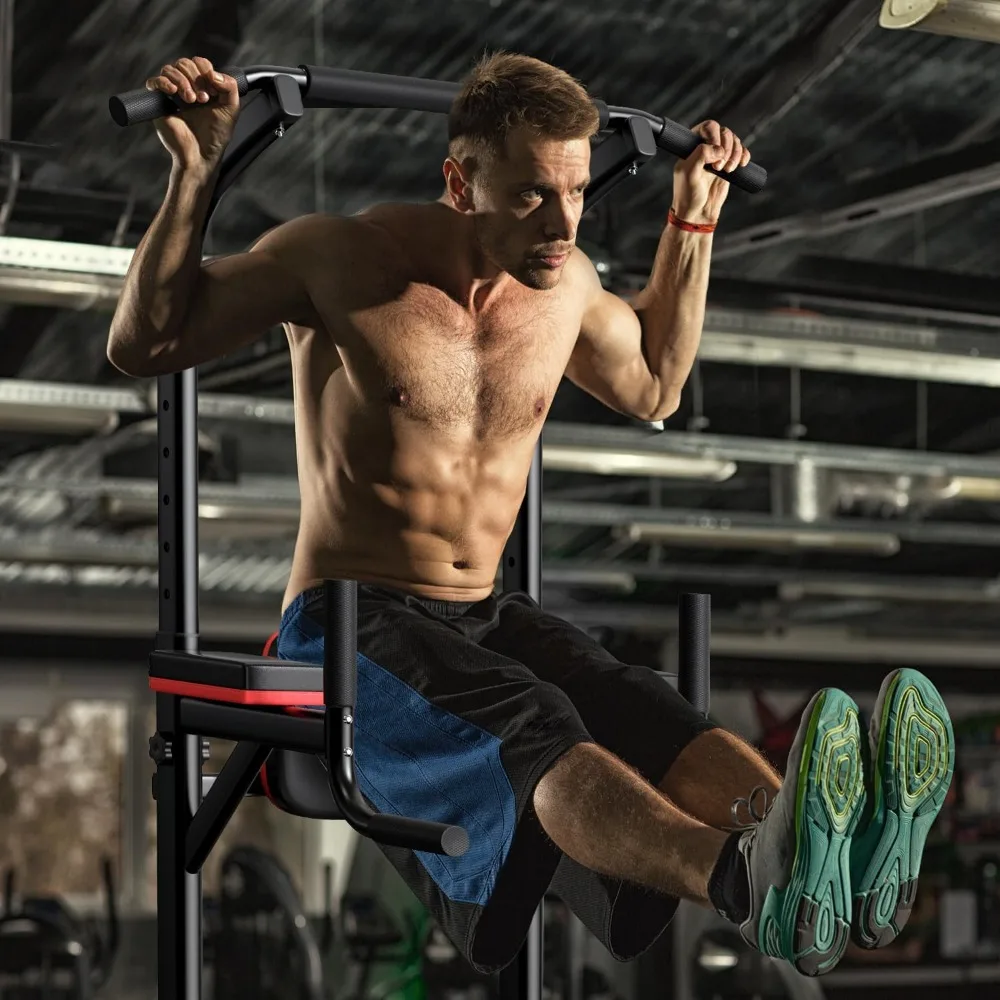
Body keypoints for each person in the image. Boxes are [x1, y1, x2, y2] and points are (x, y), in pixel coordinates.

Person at [107, 52, 955, 977]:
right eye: (530, 197)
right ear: (459, 181)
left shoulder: (569, 289)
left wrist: (694, 220)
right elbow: (146, 343)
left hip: (484, 612)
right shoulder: (342, 258)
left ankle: (832, 868)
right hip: (346, 621)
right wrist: (195, 176)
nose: (561, 225)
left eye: (577, 192)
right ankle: (746, 880)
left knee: (639, 705)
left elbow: (655, 384)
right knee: (537, 718)